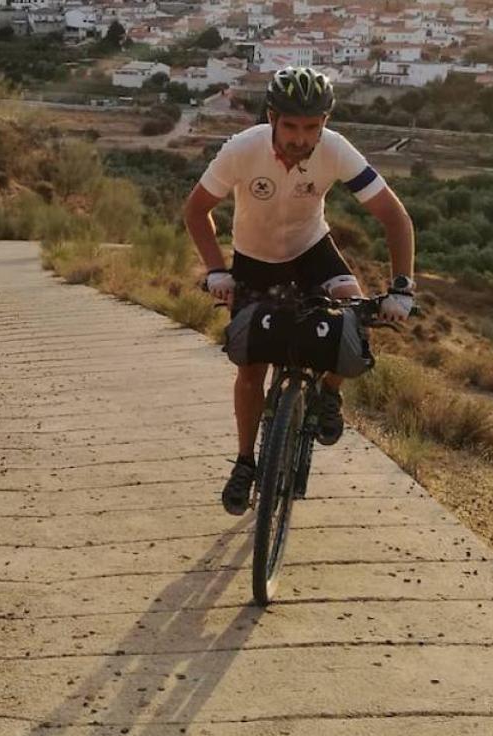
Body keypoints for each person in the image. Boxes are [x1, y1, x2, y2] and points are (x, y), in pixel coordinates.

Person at [183, 66, 416, 515]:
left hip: (312, 251)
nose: (300, 137)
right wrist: (216, 271)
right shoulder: (243, 149)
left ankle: (329, 391)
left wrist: (402, 288)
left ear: (324, 123)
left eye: (312, 127)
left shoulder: (335, 150)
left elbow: (394, 217)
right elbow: (196, 212)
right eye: (290, 125)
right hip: (254, 259)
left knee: (353, 318)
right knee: (250, 367)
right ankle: (246, 463)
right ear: (272, 117)